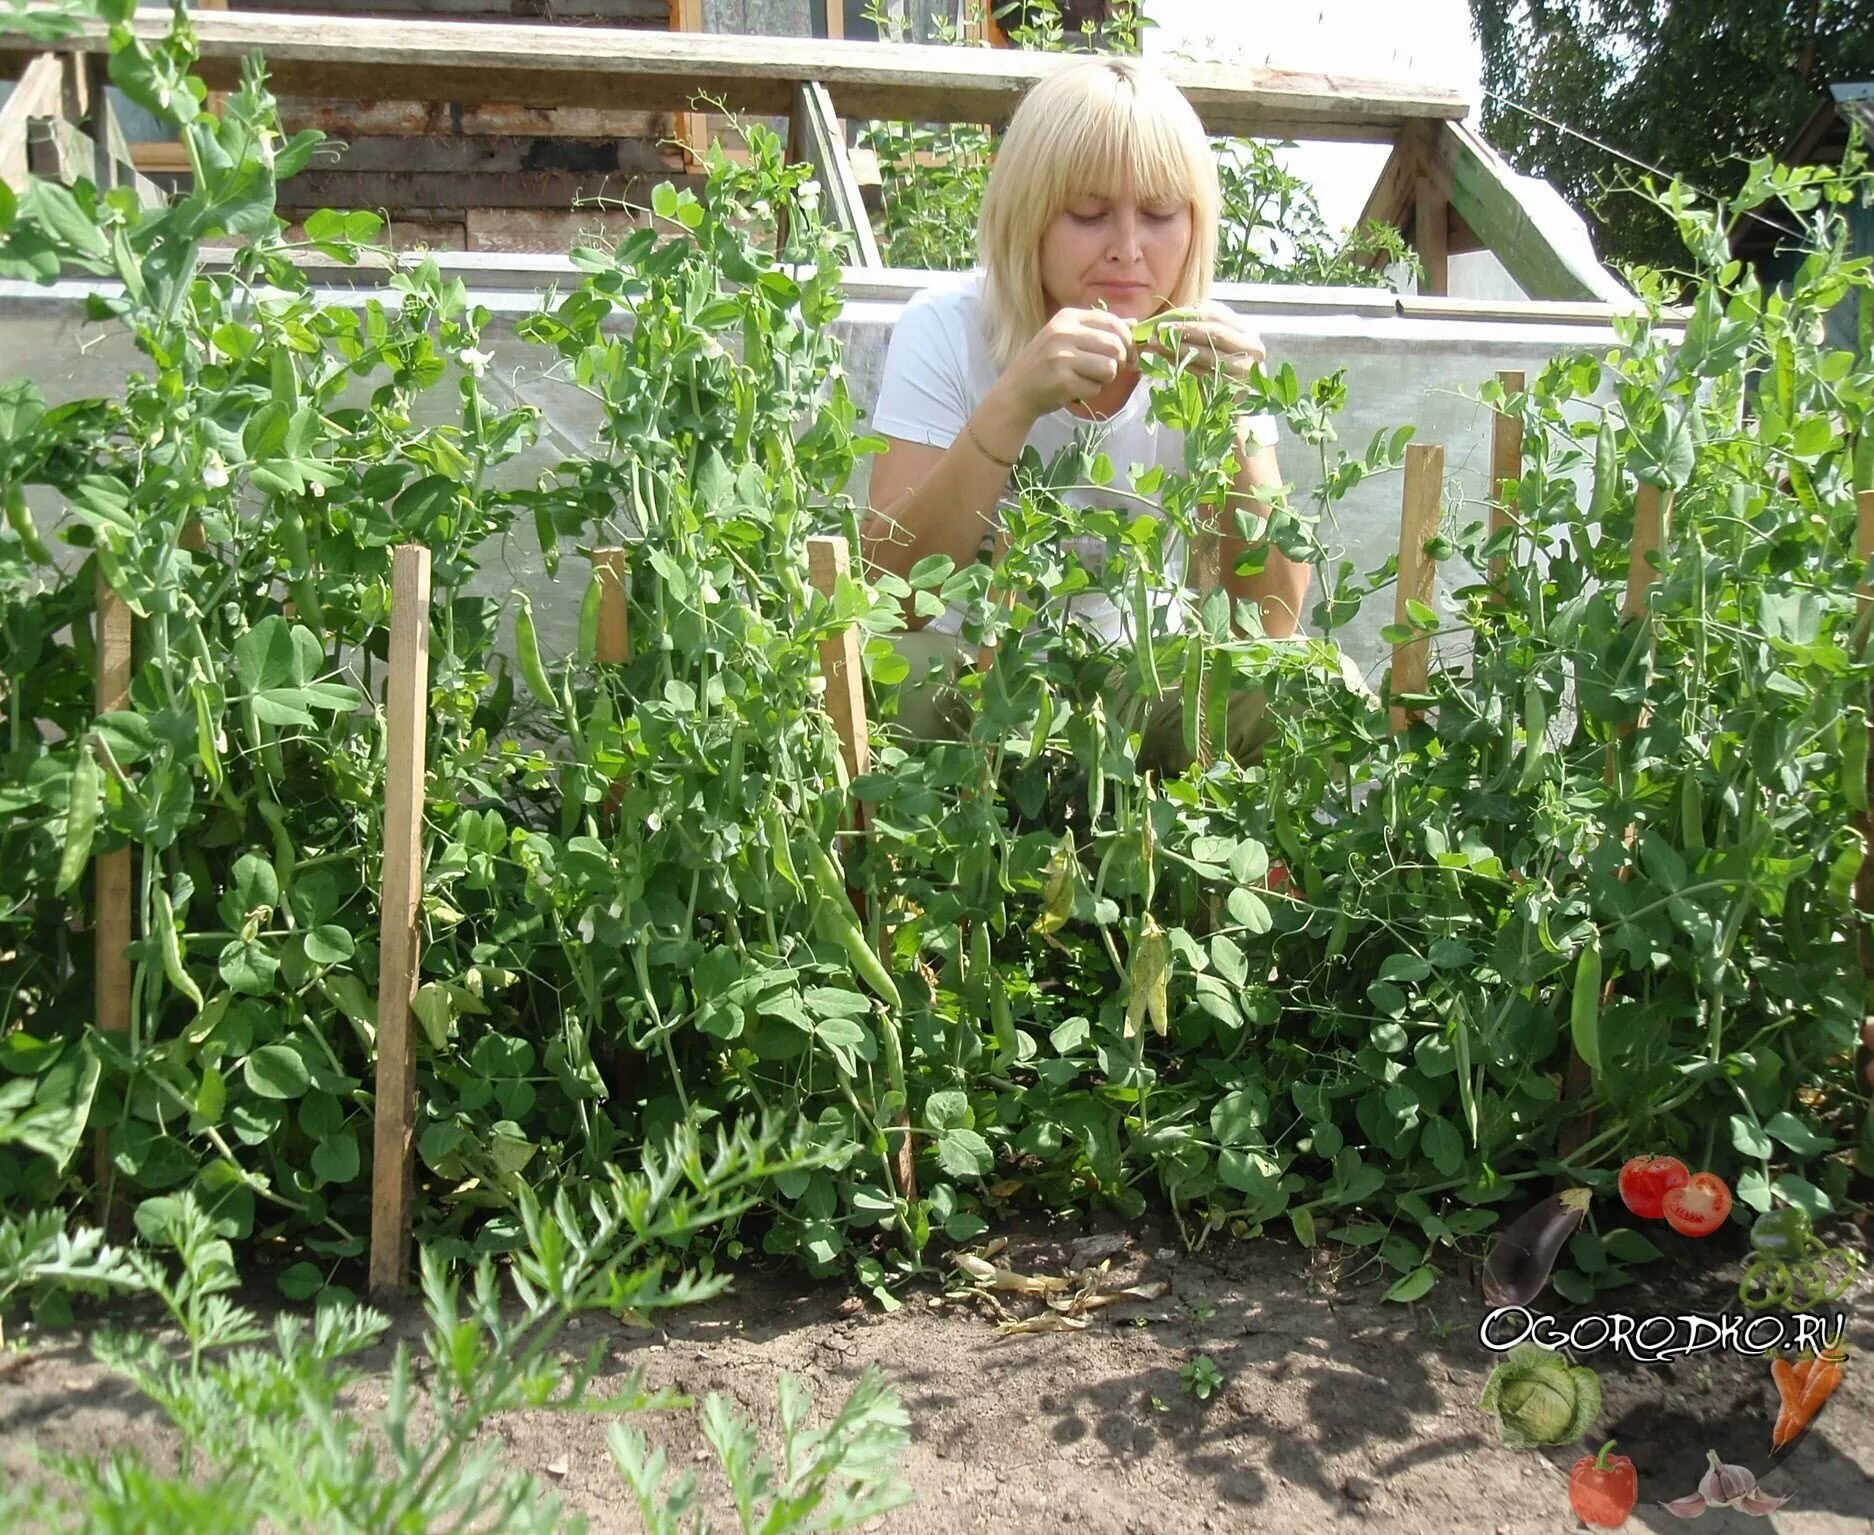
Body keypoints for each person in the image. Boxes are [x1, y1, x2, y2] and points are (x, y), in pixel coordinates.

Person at [857, 53, 1374, 772]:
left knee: (1304, 687)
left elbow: (1273, 623)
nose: (1128, 250)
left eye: (1161, 214)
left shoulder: (1211, 348)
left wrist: (1238, 420)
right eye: (1090, 214)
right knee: (881, 673)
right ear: (1026, 216)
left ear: (1195, 225)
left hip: (1139, 682)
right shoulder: (944, 329)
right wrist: (1012, 403)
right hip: (966, 676)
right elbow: (890, 592)